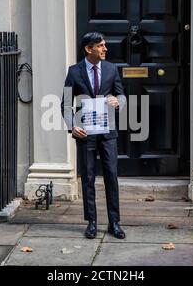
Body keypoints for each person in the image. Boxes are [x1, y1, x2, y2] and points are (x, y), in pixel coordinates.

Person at [61, 32, 127, 239]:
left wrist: (118, 103)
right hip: (85, 133)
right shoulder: (74, 72)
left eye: (105, 45)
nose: (105, 49)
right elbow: (65, 104)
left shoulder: (111, 68)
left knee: (111, 177)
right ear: (89, 49)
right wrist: (72, 127)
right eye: (101, 46)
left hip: (108, 133)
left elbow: (121, 95)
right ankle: (91, 222)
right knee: (88, 178)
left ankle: (114, 223)